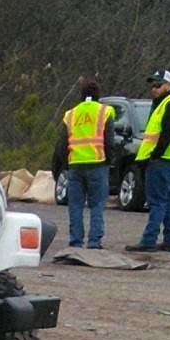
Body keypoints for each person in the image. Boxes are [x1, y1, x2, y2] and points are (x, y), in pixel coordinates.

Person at [128, 67, 170, 254]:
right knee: (167, 201)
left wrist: (155, 154)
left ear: (168, 85)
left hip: (165, 160)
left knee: (157, 202)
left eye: (158, 84)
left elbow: (167, 132)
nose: (154, 88)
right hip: (167, 159)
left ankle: (149, 240)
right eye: (152, 85)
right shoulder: (162, 102)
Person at [54, 75, 111, 251]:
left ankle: (75, 242)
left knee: (75, 205)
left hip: (76, 165)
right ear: (98, 95)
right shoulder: (105, 111)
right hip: (97, 163)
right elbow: (109, 139)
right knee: (97, 204)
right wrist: (109, 160)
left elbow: (62, 143)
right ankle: (94, 242)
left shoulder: (70, 114)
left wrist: (65, 164)